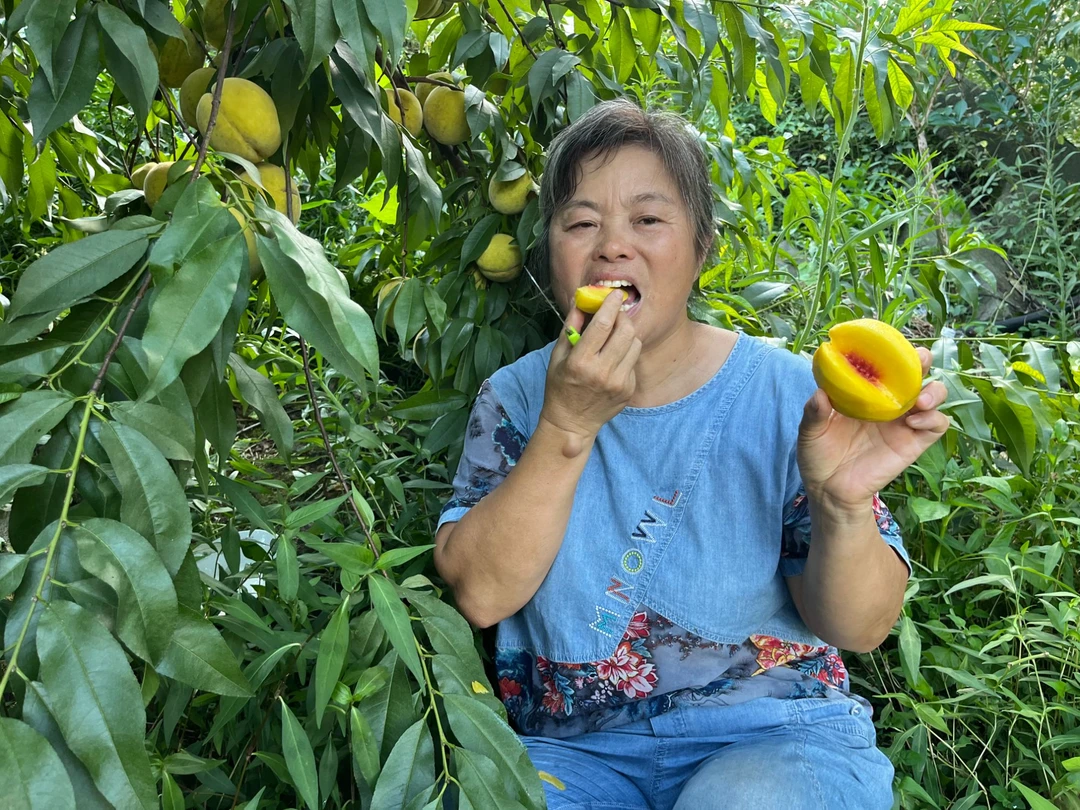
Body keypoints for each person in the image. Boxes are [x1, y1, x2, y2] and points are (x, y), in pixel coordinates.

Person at [433, 99, 949, 809]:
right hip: (570, 751)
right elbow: (482, 594)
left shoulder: (792, 394)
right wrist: (567, 424)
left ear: (702, 248)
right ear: (548, 250)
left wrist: (841, 505)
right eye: (581, 222)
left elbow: (858, 628)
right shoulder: (517, 398)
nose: (612, 245)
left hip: (769, 737)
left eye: (648, 219)